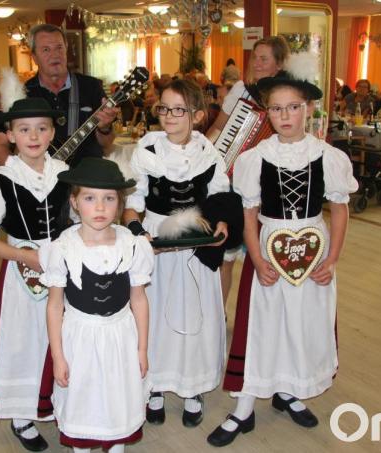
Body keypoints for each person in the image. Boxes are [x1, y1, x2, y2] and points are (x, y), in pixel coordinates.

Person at [207, 56, 357, 447]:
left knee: (302, 324)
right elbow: (250, 213)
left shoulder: (329, 156)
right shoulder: (255, 159)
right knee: (262, 325)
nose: (285, 115)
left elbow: (339, 210)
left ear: (308, 109)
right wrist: (256, 258)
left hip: (313, 252)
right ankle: (244, 406)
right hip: (269, 249)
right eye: (276, 108)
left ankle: (289, 389)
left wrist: (333, 258)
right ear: (266, 111)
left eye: (294, 107)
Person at [122, 79, 233, 429]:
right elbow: (132, 204)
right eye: (164, 108)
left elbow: (219, 202)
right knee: (153, 313)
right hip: (157, 238)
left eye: (178, 109)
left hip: (195, 239)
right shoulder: (146, 152)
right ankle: (153, 385)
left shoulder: (209, 155)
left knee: (193, 311)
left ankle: (192, 386)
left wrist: (221, 227)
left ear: (197, 115)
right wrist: (139, 232)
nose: (169, 115)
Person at [0, 94, 72, 452]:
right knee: (23, 338)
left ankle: (58, 403)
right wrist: (23, 255)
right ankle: (21, 415)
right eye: (24, 129)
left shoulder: (64, 173)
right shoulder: (1, 181)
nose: (34, 136)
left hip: (62, 266)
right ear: (11, 135)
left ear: (51, 134)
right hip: (22, 272)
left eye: (42, 128)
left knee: (61, 337)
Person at [41, 157, 154, 453]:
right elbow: (55, 306)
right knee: (84, 399)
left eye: (109, 199)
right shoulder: (63, 248)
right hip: (80, 338)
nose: (100, 207)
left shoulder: (132, 244)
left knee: (119, 398)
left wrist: (141, 348)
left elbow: (139, 299)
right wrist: (58, 356)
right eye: (90, 198)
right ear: (75, 202)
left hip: (120, 336)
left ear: (120, 203)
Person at [204, 36, 291, 311]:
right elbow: (219, 127)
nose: (257, 63)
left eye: (264, 58)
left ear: (279, 65)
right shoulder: (241, 90)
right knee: (225, 254)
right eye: (255, 57)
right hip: (230, 181)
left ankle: (262, 315)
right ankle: (219, 316)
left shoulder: (287, 96)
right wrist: (200, 154)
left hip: (267, 187)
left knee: (265, 253)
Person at [0, 24, 118, 166]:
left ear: (66, 49)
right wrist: (21, 174)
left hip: (87, 178)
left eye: (59, 48)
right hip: (43, 182)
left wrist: (105, 128)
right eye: (46, 50)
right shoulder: (22, 94)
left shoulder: (91, 87)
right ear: (34, 57)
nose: (54, 55)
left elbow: (106, 145)